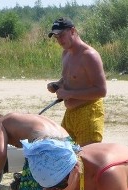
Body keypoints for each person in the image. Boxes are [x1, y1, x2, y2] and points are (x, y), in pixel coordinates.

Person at [46, 17, 107, 146]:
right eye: (56, 37)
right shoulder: (66, 54)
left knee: (87, 158)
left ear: (73, 31)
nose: (59, 40)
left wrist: (69, 94)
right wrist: (57, 84)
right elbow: (70, 78)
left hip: (89, 113)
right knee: (65, 157)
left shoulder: (89, 55)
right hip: (70, 114)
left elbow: (101, 90)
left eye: (62, 35)